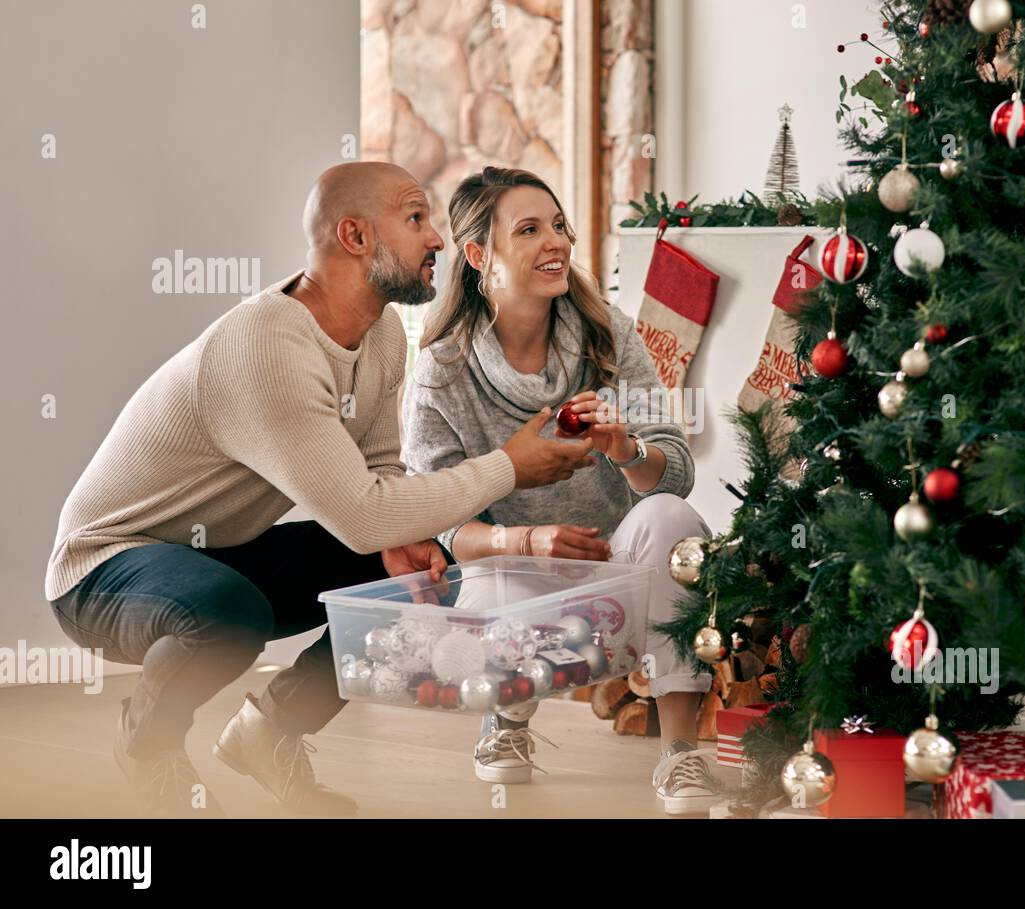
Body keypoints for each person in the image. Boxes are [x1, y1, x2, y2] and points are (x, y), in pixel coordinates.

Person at [44, 162, 593, 818]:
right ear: (356, 236)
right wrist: (510, 464)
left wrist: (405, 543)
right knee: (229, 612)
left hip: (215, 551)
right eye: (415, 219)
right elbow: (362, 515)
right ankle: (147, 747)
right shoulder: (268, 345)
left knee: (420, 577)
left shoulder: (383, 334)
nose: (438, 241)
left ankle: (271, 727)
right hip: (103, 569)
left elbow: (382, 474)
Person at [403, 166, 720, 815]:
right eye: (528, 229)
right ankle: (507, 721)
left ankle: (680, 751)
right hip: (513, 578)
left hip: (618, 577)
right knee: (487, 561)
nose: (555, 242)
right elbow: (438, 520)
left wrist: (625, 449)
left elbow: (680, 471)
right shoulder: (442, 373)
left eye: (558, 225)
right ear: (477, 254)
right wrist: (529, 537)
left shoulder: (608, 334)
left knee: (670, 516)